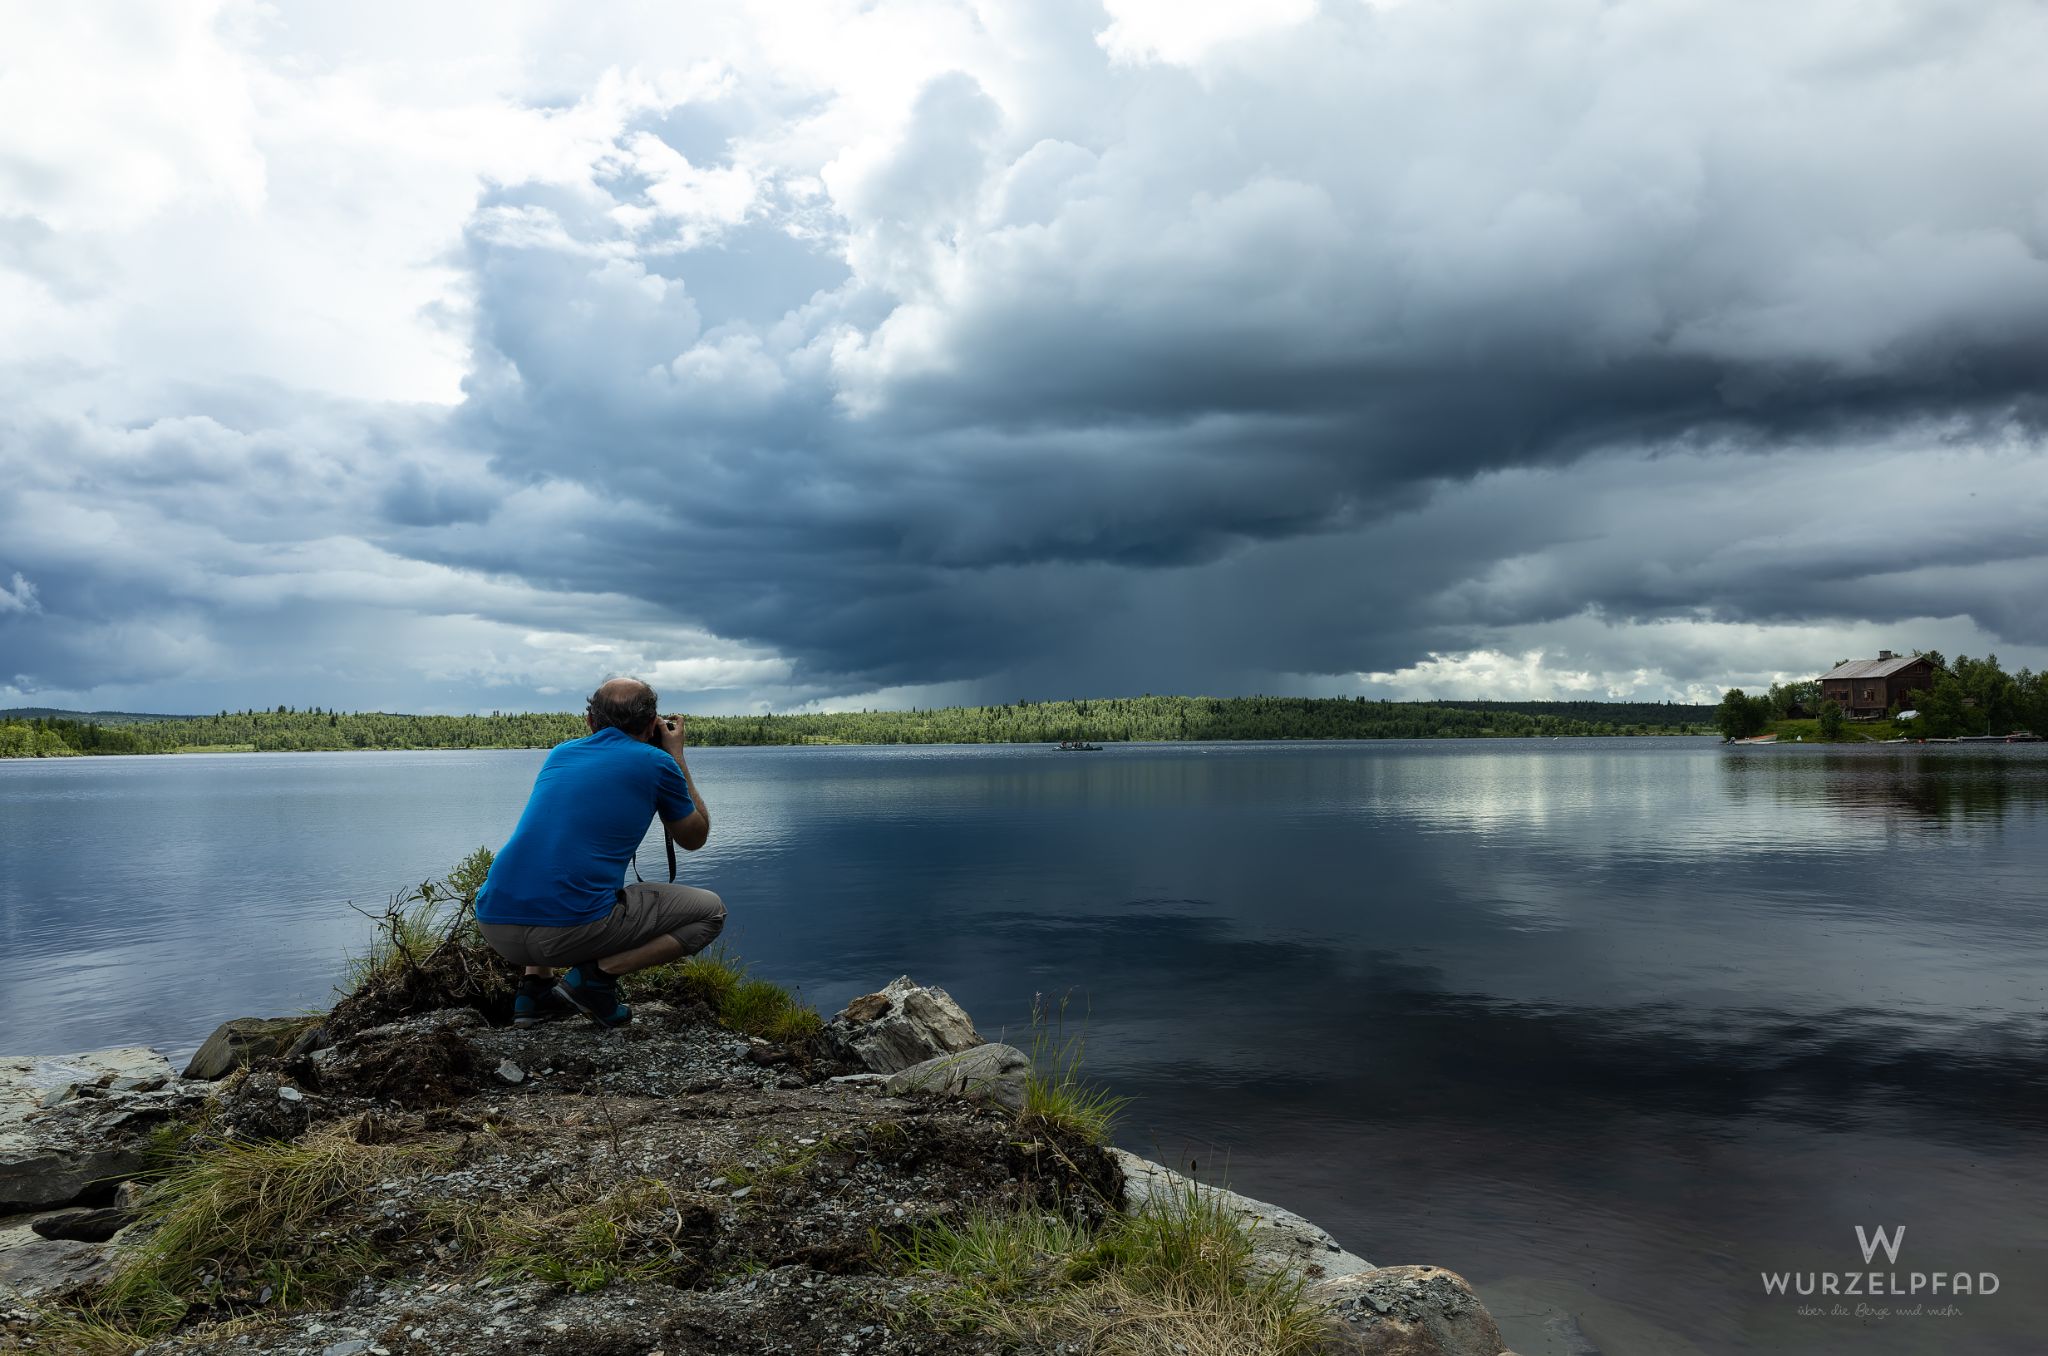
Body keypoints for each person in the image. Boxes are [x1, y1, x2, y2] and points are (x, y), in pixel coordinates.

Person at [475, 677, 723, 1028]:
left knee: (550, 863)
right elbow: (694, 837)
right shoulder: (657, 763)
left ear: (590, 721)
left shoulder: (561, 753)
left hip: (495, 924)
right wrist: (677, 756)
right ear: (652, 723)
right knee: (711, 912)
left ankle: (534, 992)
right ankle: (596, 979)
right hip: (566, 934)